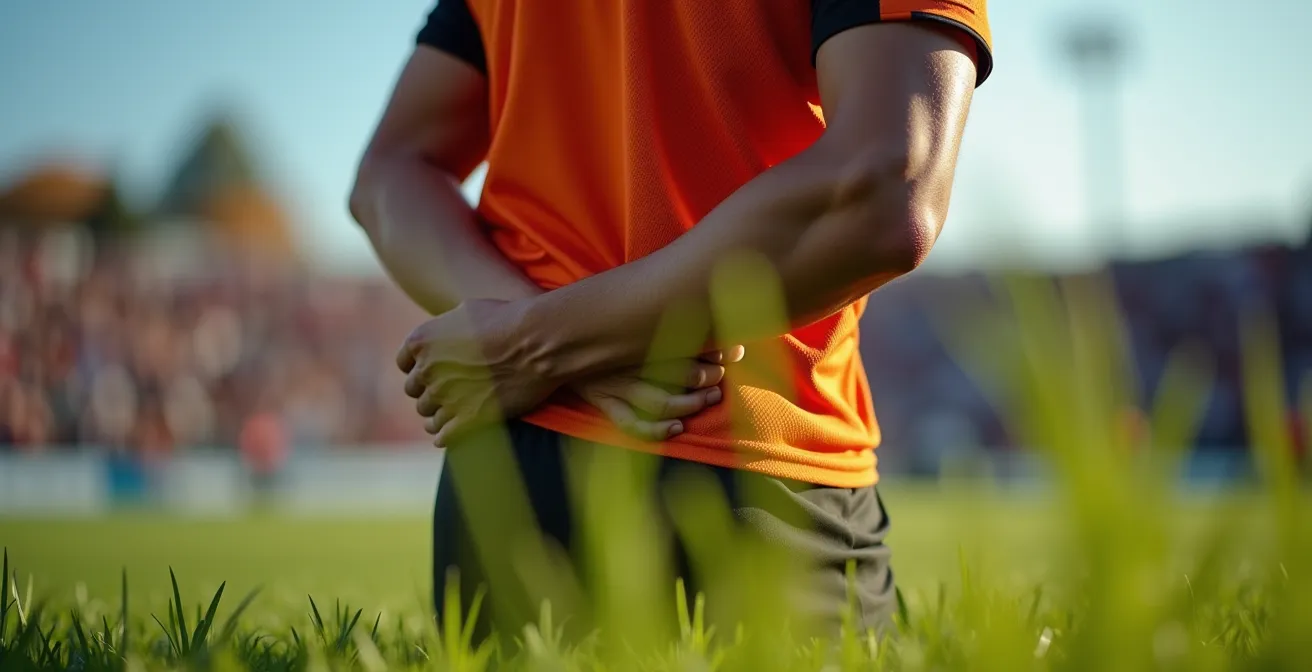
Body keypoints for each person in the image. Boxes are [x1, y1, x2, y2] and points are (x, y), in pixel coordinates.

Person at [350, 0, 991, 641]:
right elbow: (887, 185)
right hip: (742, 462)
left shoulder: (530, 350)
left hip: (507, 480)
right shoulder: (535, 350)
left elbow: (391, 173)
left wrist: (534, 337)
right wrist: (544, 340)